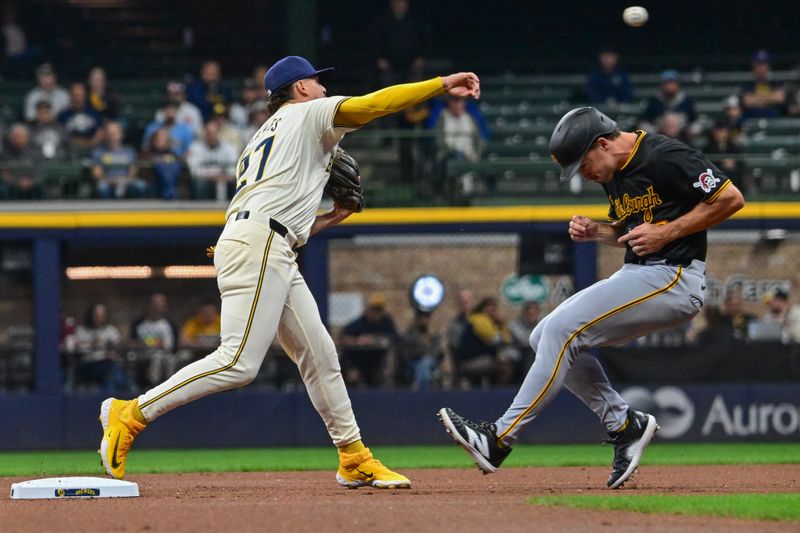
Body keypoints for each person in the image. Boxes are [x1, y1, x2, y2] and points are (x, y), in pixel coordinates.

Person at [98, 54, 480, 489]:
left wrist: (328, 218)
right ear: (300, 88)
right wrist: (440, 83)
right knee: (238, 362)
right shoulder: (308, 112)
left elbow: (287, 221)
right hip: (261, 244)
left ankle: (353, 456)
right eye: (317, 82)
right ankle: (130, 414)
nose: (322, 88)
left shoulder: (262, 136)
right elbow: (374, 105)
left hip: (268, 243)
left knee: (320, 355)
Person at [439, 106, 745, 489]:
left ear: (602, 144)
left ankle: (498, 439)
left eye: (583, 164)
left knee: (562, 330)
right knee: (543, 335)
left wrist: (668, 233)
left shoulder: (665, 155)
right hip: (642, 271)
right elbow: (631, 229)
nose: (583, 175)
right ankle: (623, 425)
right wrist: (598, 232)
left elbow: (731, 198)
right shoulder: (613, 172)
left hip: (676, 275)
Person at [339, 292, 399, 388]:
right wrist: (359, 340)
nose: (376, 312)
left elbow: (395, 338)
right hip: (359, 361)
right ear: (368, 309)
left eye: (379, 309)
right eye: (374, 309)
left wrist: (375, 340)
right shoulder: (360, 323)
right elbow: (344, 338)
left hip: (377, 363)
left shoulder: (385, 322)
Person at [453, 296, 515, 387]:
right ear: (483, 308)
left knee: (503, 362)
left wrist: (501, 324)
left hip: (479, 357)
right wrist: (500, 325)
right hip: (469, 361)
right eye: (489, 308)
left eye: (494, 308)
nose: (492, 311)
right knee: (503, 366)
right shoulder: (479, 320)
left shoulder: (491, 322)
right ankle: (497, 393)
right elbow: (494, 339)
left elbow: (507, 339)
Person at [69, 303, 131, 392]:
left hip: (108, 363)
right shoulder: (81, 330)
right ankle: (113, 398)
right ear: (91, 315)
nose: (99, 318)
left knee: (116, 371)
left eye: (102, 315)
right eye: (97, 315)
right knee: (112, 371)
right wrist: (90, 345)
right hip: (88, 365)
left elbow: (119, 345)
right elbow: (75, 348)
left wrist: (113, 349)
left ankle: (125, 394)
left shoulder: (109, 329)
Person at [129, 293, 178, 387]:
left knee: (168, 359)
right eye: (155, 304)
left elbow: (170, 346)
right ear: (149, 305)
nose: (157, 308)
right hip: (143, 355)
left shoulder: (168, 324)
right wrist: (150, 344)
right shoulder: (139, 324)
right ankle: (153, 386)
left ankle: (170, 386)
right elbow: (133, 343)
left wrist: (152, 343)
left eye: (160, 305)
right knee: (156, 358)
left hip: (165, 354)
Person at [91, 121, 146, 199]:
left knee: (140, 185)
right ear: (105, 135)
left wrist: (124, 181)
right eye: (109, 133)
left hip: (126, 181)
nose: (112, 136)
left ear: (121, 134)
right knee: (102, 187)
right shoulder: (98, 152)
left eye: (115, 133)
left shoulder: (129, 151)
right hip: (108, 182)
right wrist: (112, 181)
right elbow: (97, 173)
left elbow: (133, 171)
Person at [186, 120, 238, 200]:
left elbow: (233, 169)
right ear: (205, 134)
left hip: (225, 180)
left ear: (218, 133)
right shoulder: (195, 147)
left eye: (214, 133)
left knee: (235, 183)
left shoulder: (229, 148)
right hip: (205, 180)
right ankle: (201, 209)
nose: (212, 136)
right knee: (199, 184)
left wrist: (221, 177)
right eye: (209, 133)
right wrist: (213, 176)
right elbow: (194, 171)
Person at [642, 70, 697, 135]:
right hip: (659, 136)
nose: (669, 86)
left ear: (678, 84)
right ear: (661, 85)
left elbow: (694, 121)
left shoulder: (687, 100)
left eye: (672, 82)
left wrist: (687, 130)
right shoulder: (654, 101)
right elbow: (645, 122)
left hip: (682, 136)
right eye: (666, 83)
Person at [399, 310, 443, 390]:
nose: (423, 320)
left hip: (431, 362)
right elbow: (407, 352)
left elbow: (437, 351)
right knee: (423, 366)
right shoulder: (410, 333)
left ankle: (417, 387)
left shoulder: (434, 334)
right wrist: (421, 353)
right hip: (413, 362)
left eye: (426, 318)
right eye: (421, 318)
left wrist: (426, 355)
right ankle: (424, 395)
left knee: (425, 362)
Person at [57, 82, 104, 151]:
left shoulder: (94, 113)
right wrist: (76, 144)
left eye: (80, 95)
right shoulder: (63, 115)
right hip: (70, 149)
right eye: (75, 95)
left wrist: (90, 144)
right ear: (71, 96)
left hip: (93, 149)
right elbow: (60, 135)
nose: (78, 98)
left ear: (85, 96)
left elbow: (100, 132)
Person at [0, 123, 42, 199]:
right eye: (16, 137)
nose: (19, 140)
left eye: (21, 137)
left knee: (40, 186)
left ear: (27, 137)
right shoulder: (4, 152)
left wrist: (31, 181)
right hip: (12, 184)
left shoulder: (34, 151)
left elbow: (40, 170)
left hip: (32, 183)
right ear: (11, 137)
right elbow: (3, 173)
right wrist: (17, 182)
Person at [740, 50, 785, 120]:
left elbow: (779, 98)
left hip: (773, 120)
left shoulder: (775, 82)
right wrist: (770, 96)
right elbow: (748, 101)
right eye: (758, 64)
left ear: (768, 65)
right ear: (754, 65)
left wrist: (757, 97)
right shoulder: (748, 84)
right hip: (753, 119)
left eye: (763, 64)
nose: (761, 67)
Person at [145, 128, 183, 200]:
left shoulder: (173, 153)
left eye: (163, 138)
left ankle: (169, 191)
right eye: (158, 138)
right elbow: (148, 162)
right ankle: (169, 192)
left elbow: (178, 161)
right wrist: (163, 160)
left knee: (174, 166)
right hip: (154, 182)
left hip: (172, 182)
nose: (160, 140)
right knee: (161, 166)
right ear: (153, 140)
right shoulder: (147, 153)